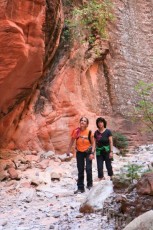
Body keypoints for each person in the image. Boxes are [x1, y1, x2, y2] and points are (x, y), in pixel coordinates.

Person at [66, 117, 95, 194]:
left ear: (87, 124)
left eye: (84, 121)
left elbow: (93, 143)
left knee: (88, 169)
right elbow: (72, 140)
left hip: (88, 152)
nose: (82, 122)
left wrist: (92, 153)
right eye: (81, 120)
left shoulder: (89, 132)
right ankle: (80, 187)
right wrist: (68, 150)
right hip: (79, 152)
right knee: (80, 170)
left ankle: (89, 185)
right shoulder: (76, 131)